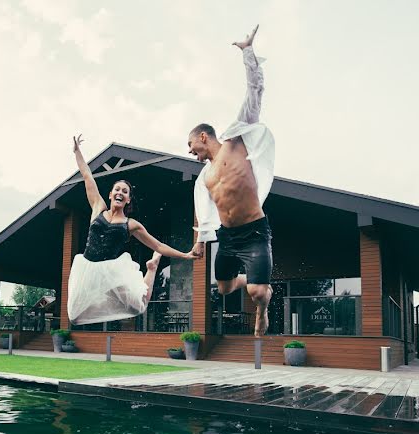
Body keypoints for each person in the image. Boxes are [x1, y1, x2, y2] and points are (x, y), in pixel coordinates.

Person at [187, 25, 276, 337]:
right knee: (224, 289)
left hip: (254, 231)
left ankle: (262, 312)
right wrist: (200, 243)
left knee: (258, 292)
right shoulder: (204, 177)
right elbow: (203, 210)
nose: (190, 152)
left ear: (203, 136)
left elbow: (255, 93)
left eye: (191, 145)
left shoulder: (235, 140)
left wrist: (248, 53)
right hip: (227, 237)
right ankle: (241, 279)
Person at [68, 134, 196, 326]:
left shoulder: (131, 224)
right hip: (87, 267)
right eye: (117, 190)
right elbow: (87, 176)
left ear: (128, 199)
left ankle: (151, 269)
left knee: (137, 307)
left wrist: (185, 255)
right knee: (74, 317)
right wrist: (78, 152)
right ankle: (106, 300)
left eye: (125, 192)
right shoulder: (98, 207)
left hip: (110, 271)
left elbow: (159, 245)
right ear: (110, 194)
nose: (120, 193)